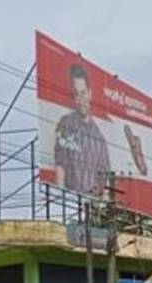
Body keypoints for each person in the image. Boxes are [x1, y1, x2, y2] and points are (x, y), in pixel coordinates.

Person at [52, 63, 112, 196]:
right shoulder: (66, 124)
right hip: (70, 204)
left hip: (93, 208)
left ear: (90, 93)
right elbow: (60, 166)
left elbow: (105, 182)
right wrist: (61, 201)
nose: (80, 99)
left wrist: (103, 210)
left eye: (83, 93)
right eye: (76, 94)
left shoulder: (99, 138)